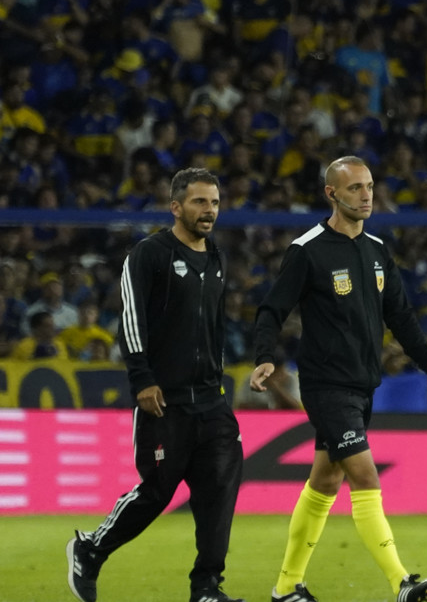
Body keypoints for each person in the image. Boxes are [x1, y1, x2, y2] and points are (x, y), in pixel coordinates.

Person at [250, 156, 427, 602]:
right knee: (364, 475)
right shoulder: (307, 250)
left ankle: (285, 588)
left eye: (369, 187)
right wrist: (264, 356)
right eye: (355, 188)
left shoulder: (377, 250)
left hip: (363, 384)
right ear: (332, 194)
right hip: (325, 385)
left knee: (325, 482)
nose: (366, 196)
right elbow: (272, 309)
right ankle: (401, 581)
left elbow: (400, 315)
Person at [66, 168, 243, 602]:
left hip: (212, 402)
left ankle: (206, 587)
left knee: (219, 489)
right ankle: (91, 548)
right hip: (165, 400)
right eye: (200, 202)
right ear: (176, 207)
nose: (209, 211)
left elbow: (215, 328)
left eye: (215, 202)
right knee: (158, 491)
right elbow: (130, 320)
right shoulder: (148, 254)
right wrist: (142, 380)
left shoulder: (217, 259)